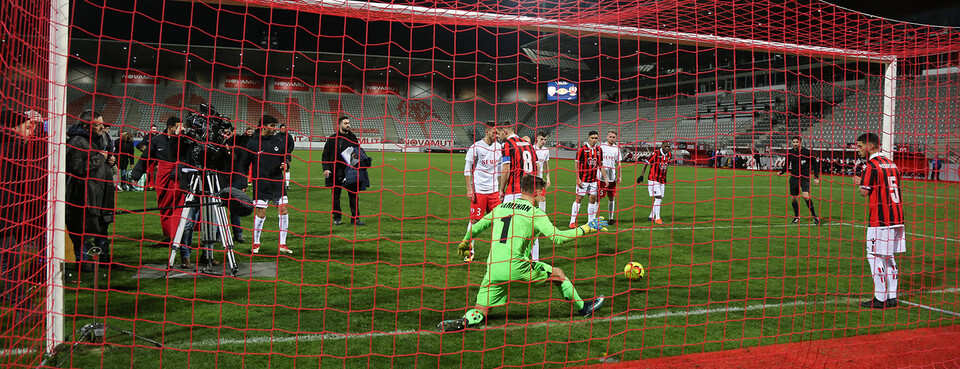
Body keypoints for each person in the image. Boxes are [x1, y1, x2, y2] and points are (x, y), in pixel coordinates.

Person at [437, 175, 608, 332]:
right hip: (517, 266)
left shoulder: (501, 207)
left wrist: (466, 242)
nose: (544, 196)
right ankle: (583, 308)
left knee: (481, 309)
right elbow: (558, 238)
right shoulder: (535, 213)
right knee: (558, 274)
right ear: (536, 192)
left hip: (494, 269)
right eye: (543, 192)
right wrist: (586, 228)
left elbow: (476, 227)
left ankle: (464, 321)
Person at [0, 110, 44, 321]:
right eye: (29, 125)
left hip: (9, 214)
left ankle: (17, 302)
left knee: (9, 260)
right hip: (8, 215)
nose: (33, 130)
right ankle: (22, 308)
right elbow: (28, 183)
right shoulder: (15, 147)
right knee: (12, 260)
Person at [853, 133, 904, 309]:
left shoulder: (871, 165)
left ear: (870, 146)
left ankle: (880, 298)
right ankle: (892, 296)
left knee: (873, 255)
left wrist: (860, 183)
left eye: (860, 146)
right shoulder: (892, 164)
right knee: (889, 256)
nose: (857, 149)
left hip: (880, 219)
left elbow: (864, 192)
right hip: (897, 217)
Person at [131, 116, 189, 260]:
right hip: (162, 177)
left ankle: (177, 237)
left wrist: (179, 169)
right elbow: (146, 157)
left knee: (178, 207)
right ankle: (168, 236)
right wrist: (136, 173)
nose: (181, 129)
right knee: (163, 207)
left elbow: (186, 157)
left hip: (177, 176)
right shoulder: (157, 140)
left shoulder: (184, 140)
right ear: (170, 127)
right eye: (178, 126)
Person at [235, 115, 295, 255]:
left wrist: (285, 164)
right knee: (261, 213)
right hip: (261, 183)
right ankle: (256, 243)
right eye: (272, 126)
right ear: (263, 126)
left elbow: (284, 157)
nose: (275, 129)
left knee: (283, 211)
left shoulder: (278, 140)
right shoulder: (252, 143)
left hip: (277, 181)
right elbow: (243, 164)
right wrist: (243, 182)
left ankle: (283, 244)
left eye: (275, 126)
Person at [65, 110, 116, 269]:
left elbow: (100, 161)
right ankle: (84, 261)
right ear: (87, 126)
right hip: (85, 194)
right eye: (98, 124)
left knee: (102, 225)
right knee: (84, 227)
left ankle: (104, 259)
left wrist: (110, 161)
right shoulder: (76, 142)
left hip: (102, 192)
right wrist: (100, 157)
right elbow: (77, 168)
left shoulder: (101, 138)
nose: (102, 127)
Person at [463, 121, 501, 262]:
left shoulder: (499, 147)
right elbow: (467, 168)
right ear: (487, 131)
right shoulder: (476, 147)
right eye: (494, 132)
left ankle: (497, 252)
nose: (496, 135)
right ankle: (469, 250)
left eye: (497, 133)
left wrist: (501, 189)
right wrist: (469, 189)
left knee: (499, 221)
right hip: (479, 190)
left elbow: (499, 169)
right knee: (475, 221)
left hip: (494, 191)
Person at [323, 116, 365, 226]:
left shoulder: (352, 137)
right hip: (336, 170)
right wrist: (326, 168)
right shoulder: (333, 138)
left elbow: (358, 151)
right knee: (336, 195)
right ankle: (337, 218)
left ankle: (355, 218)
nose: (348, 125)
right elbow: (325, 155)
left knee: (354, 195)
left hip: (350, 170)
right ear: (340, 125)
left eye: (348, 123)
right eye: (345, 123)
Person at [778, 136, 820, 225]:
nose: (795, 144)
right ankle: (797, 217)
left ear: (800, 142)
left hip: (804, 177)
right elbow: (786, 165)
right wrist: (782, 172)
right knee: (793, 198)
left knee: (805, 196)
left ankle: (814, 216)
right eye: (793, 142)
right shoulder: (790, 153)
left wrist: (816, 177)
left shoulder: (807, 152)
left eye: (797, 142)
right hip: (794, 177)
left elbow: (815, 165)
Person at [568, 131, 604, 229]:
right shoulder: (582, 150)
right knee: (579, 199)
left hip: (593, 180)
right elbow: (576, 164)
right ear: (588, 138)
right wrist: (578, 178)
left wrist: (606, 178)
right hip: (583, 180)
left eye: (596, 138)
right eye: (592, 138)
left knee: (592, 199)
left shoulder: (599, 149)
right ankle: (572, 221)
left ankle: (590, 222)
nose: (594, 140)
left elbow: (601, 164)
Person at [498, 121, 539, 204]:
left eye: (499, 133)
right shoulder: (528, 144)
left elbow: (506, 169)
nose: (498, 137)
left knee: (506, 216)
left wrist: (501, 190)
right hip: (529, 190)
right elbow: (537, 165)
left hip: (514, 190)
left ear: (504, 131)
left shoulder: (507, 144)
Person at [638, 141, 672, 224]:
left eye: (668, 147)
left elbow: (665, 167)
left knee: (660, 199)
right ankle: (657, 218)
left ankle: (651, 216)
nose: (667, 148)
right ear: (662, 146)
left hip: (662, 180)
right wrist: (642, 175)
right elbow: (646, 163)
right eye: (665, 146)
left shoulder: (669, 155)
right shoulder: (655, 154)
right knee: (658, 197)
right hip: (653, 179)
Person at [532, 130, 551, 261]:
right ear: (536, 139)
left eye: (544, 139)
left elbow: (546, 165)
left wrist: (548, 177)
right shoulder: (531, 149)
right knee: (532, 201)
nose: (543, 141)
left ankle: (542, 221)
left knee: (543, 199)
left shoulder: (546, 151)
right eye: (541, 139)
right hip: (531, 180)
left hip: (540, 180)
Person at [598, 131, 622, 225]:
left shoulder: (616, 149)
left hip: (612, 178)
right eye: (610, 136)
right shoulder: (601, 146)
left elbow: (619, 163)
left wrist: (619, 176)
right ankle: (594, 217)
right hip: (601, 177)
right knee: (598, 198)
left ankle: (611, 218)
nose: (612, 138)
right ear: (607, 137)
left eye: (614, 137)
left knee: (612, 197)